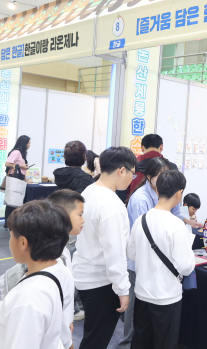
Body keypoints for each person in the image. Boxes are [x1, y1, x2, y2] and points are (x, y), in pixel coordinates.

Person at [119, 158, 199, 349]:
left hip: (142, 293)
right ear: (179, 193)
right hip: (167, 296)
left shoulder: (142, 220)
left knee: (141, 340)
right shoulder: (176, 225)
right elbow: (185, 267)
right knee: (164, 343)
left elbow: (131, 253)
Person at [0, 200, 73, 349]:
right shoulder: (60, 270)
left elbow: (27, 315)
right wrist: (0, 312)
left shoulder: (28, 300)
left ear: (23, 242)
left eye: (11, 235)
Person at [72, 147, 137, 349]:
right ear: (122, 170)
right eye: (133, 173)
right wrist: (123, 289)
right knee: (96, 340)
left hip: (84, 274)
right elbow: (115, 252)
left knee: (92, 335)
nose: (132, 179)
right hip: (101, 282)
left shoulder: (89, 191)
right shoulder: (112, 204)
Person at [47, 189, 87, 336]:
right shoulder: (54, 256)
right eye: (80, 215)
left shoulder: (63, 251)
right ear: (63, 214)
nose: (83, 220)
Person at [3, 135, 31, 228]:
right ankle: (8, 224)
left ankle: (13, 223)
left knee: (16, 202)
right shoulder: (16, 152)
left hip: (19, 179)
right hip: (14, 179)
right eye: (28, 143)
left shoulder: (22, 153)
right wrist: (21, 166)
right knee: (11, 202)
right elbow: (7, 163)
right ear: (24, 143)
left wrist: (26, 180)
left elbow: (22, 170)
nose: (29, 145)